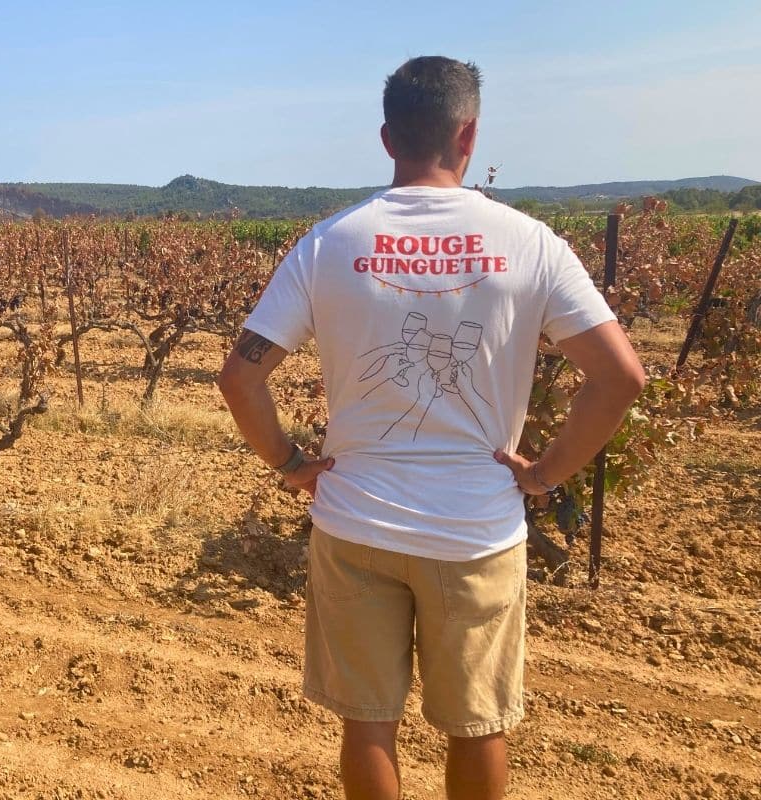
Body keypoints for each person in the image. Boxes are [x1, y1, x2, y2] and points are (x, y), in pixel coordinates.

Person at [217, 56, 645, 800]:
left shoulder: (328, 243)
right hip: (475, 531)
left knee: (368, 724)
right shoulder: (531, 243)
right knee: (478, 725)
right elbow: (621, 378)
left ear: (387, 138)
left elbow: (239, 377)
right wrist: (544, 475)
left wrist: (289, 462)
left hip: (356, 526)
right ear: (468, 134)